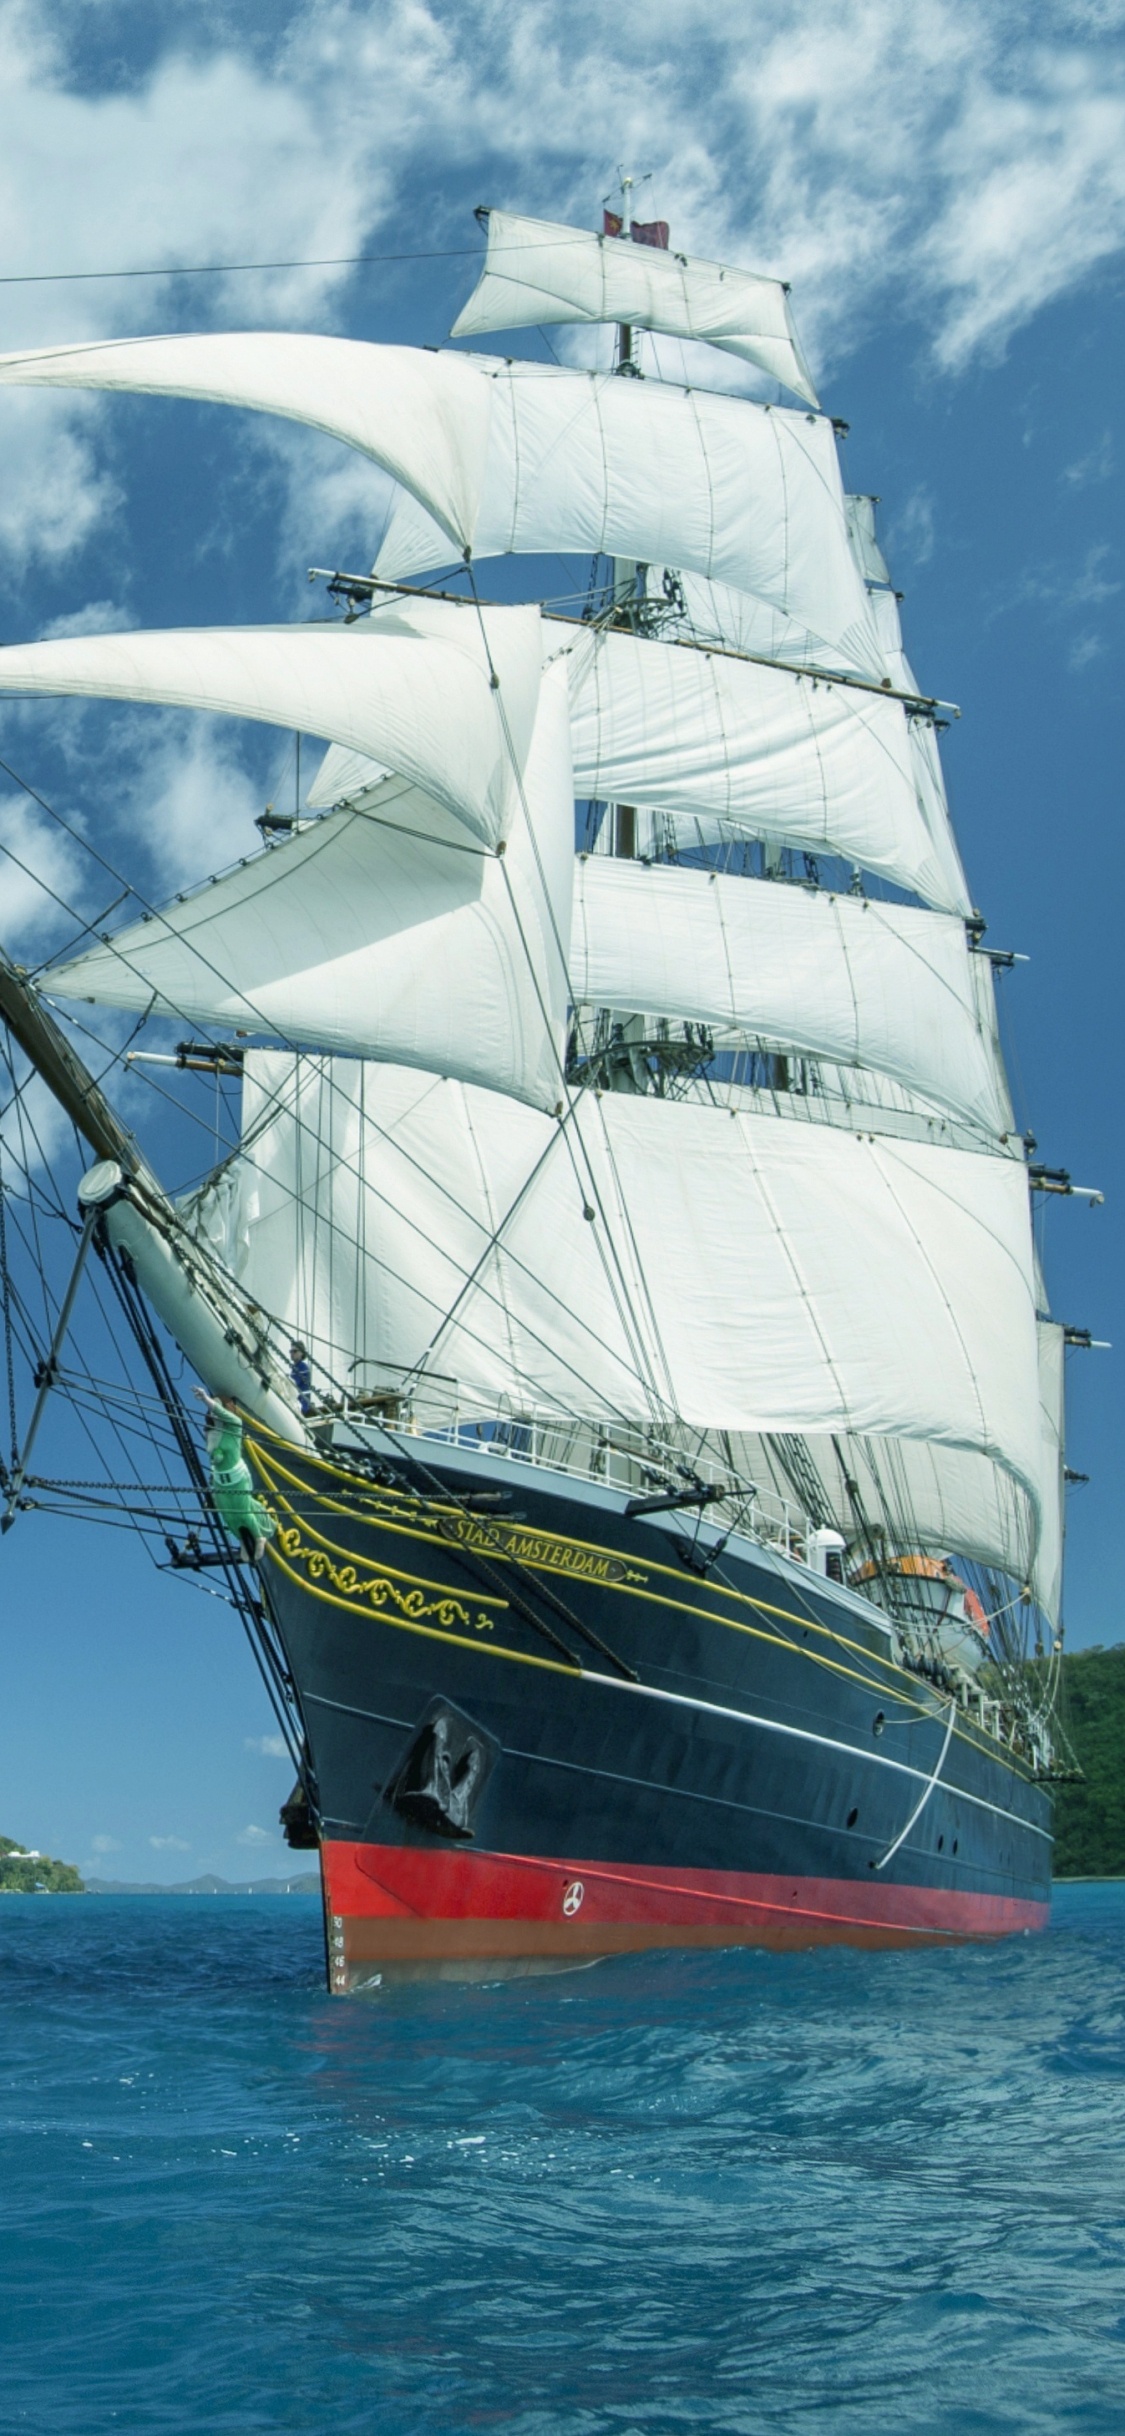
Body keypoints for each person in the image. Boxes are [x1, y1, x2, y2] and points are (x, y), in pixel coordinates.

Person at [192, 1386, 276, 1562]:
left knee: (244, 1512)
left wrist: (206, 1399)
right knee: (228, 1514)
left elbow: (221, 1414)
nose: (214, 1413)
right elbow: (213, 1458)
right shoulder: (212, 1434)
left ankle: (259, 1537)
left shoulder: (234, 1426)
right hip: (220, 1481)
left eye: (217, 1408)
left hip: (236, 1477)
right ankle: (243, 1542)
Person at [288, 1340, 313, 1416]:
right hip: (296, 1403)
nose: (292, 1353)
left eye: (295, 1351)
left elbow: (294, 1384)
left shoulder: (302, 1367)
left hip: (301, 1405)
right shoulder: (295, 1367)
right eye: (291, 1351)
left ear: (301, 1353)